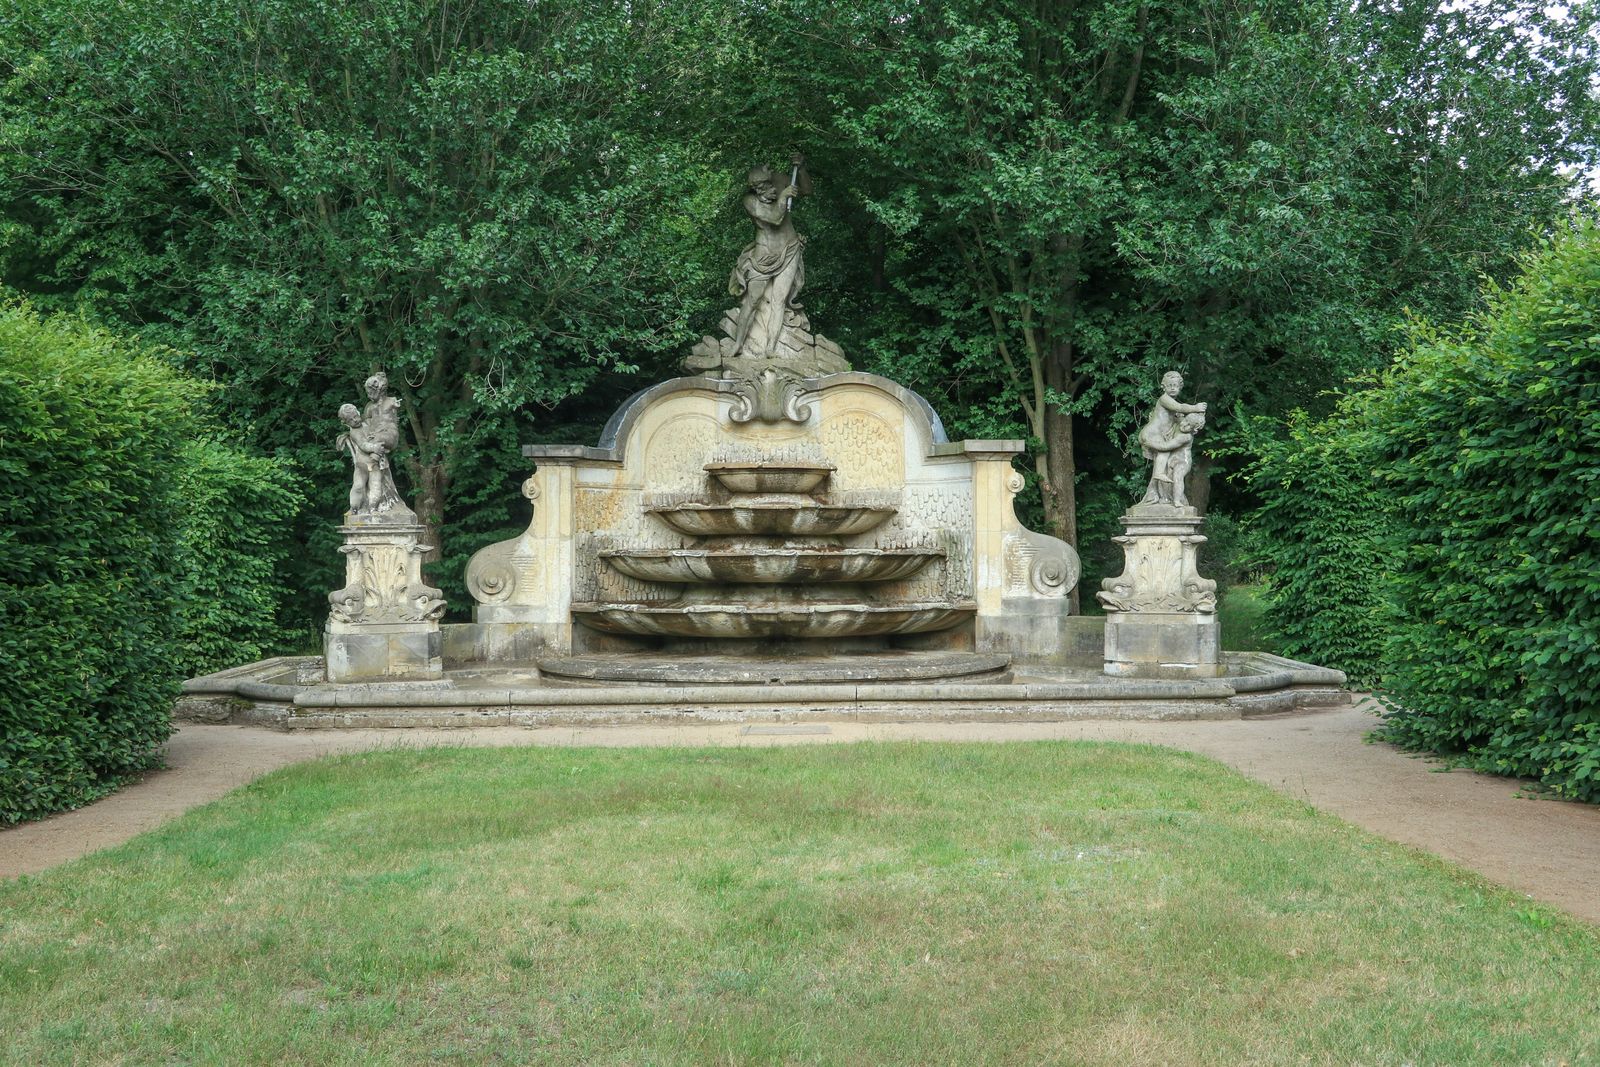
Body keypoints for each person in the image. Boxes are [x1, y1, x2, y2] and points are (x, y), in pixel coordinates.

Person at [728, 155, 811, 359]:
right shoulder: (749, 201)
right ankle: (738, 344)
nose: (768, 189)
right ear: (754, 189)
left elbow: (807, 190)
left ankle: (771, 348)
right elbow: (775, 218)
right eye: (761, 187)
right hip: (763, 257)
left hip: (789, 249)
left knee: (779, 301)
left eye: (767, 184)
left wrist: (800, 169)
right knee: (752, 301)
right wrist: (784, 197)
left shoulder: (781, 180)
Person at [1138, 371, 1207, 507]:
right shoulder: (1165, 399)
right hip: (1152, 433)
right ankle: (1159, 475)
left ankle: (1161, 486)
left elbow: (1177, 417)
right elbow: (1180, 407)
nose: (1173, 388)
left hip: (1158, 434)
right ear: (1163, 387)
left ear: (1180, 387)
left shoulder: (1185, 434)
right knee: (1164, 452)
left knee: (1164, 453)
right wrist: (1195, 407)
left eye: (1175, 386)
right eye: (1169, 385)